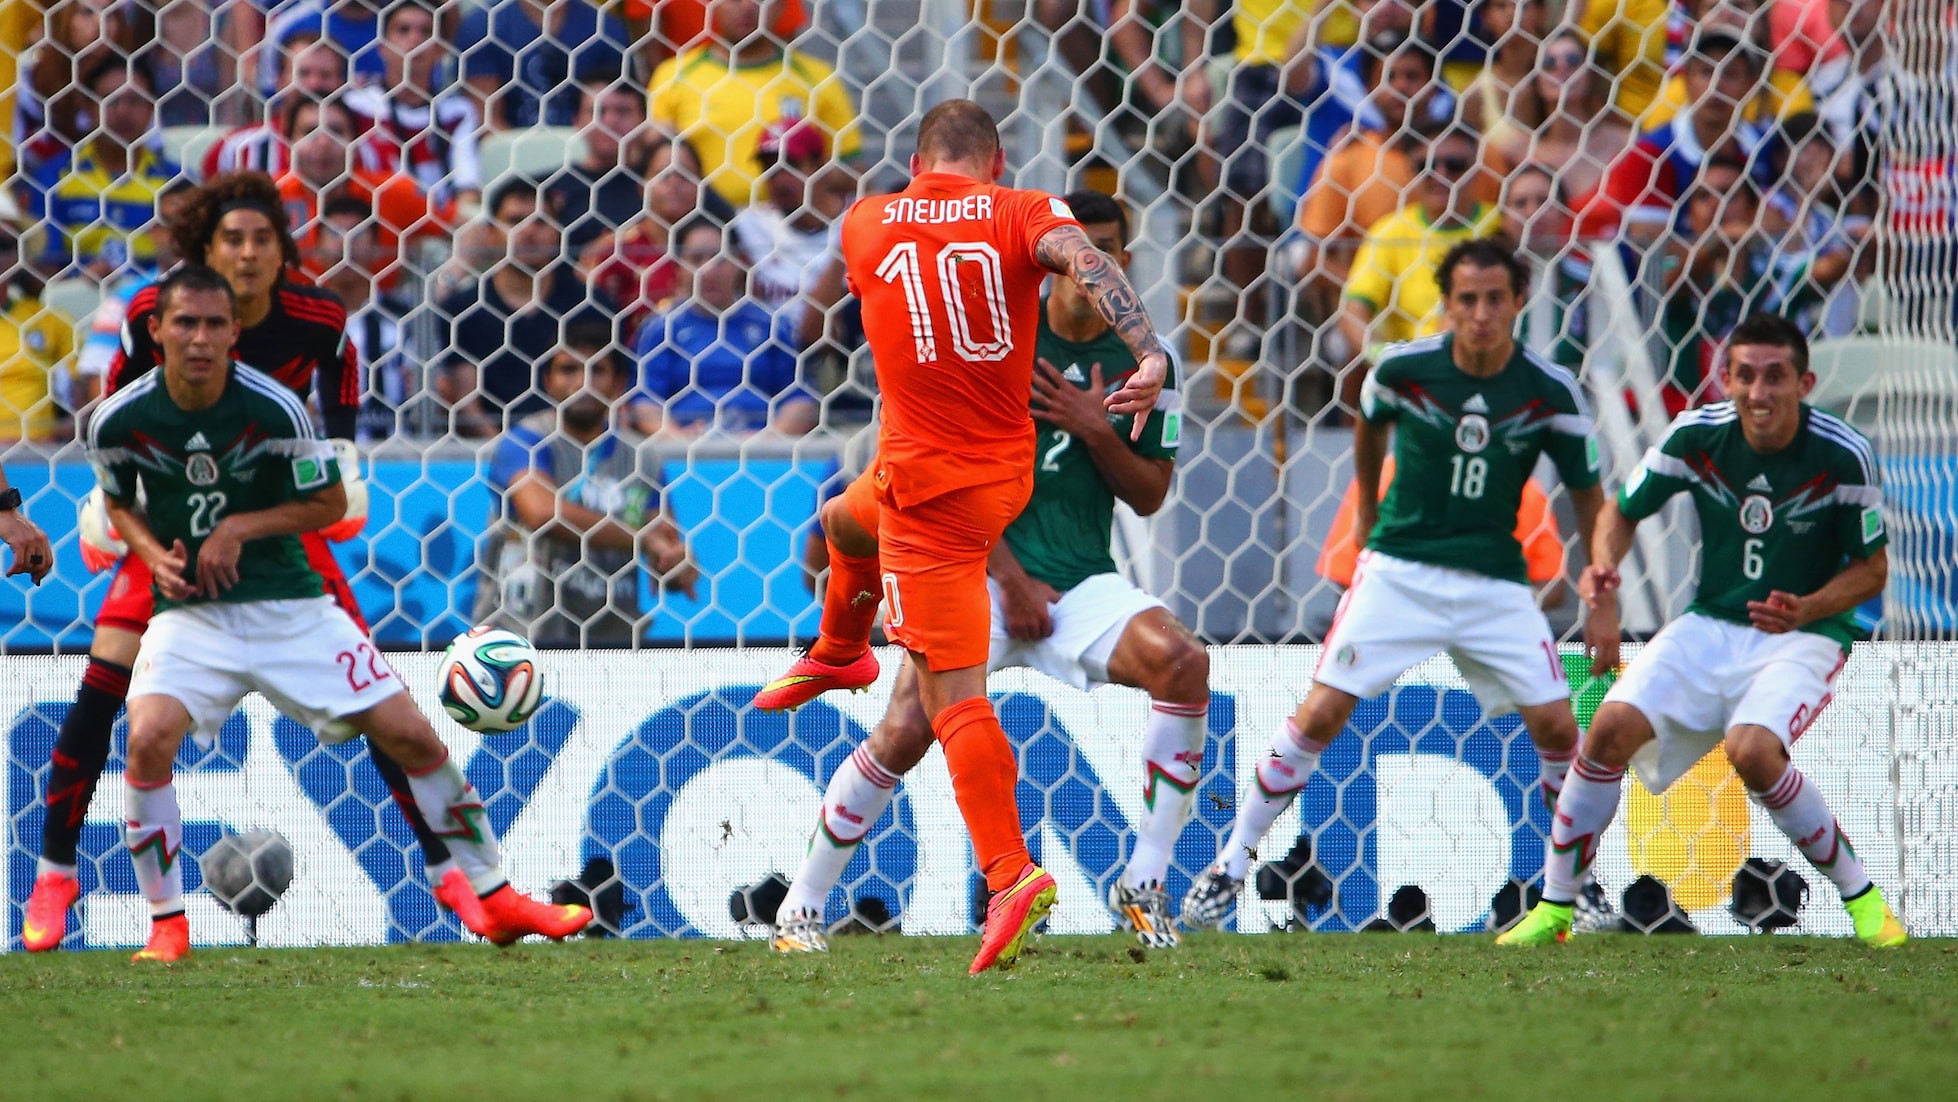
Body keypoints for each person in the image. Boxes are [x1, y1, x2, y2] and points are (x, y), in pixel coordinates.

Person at [749, 100, 1169, 975]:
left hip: (938, 497)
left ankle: (1011, 875)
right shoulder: (1023, 211)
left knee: (949, 699)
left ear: (912, 157)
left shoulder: (868, 220)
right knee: (840, 521)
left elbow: (849, 306)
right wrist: (1150, 351)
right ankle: (839, 651)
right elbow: (1086, 261)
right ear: (999, 161)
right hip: (973, 472)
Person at [19, 174, 481, 953]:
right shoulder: (150, 314)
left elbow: (335, 453)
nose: (247, 252)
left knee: (377, 704)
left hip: (280, 530)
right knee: (104, 694)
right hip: (166, 530)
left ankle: (455, 876)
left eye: (262, 239)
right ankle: (55, 874)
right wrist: (117, 518)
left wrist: (324, 493)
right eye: (232, 239)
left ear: (282, 252)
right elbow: (117, 424)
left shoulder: (322, 323)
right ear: (203, 254)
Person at [86, 265, 592, 962]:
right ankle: (167, 925)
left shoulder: (274, 408)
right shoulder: (120, 418)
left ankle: (498, 897)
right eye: (185, 323)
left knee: (412, 735)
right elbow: (118, 502)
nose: (199, 339)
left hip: (292, 606)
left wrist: (239, 528)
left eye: (213, 325)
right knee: (145, 741)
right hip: (193, 616)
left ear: (235, 332)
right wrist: (151, 552)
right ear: (155, 330)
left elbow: (329, 505)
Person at [1183, 239, 1605, 929]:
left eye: (1495, 299)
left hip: (1494, 581)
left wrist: (1601, 595)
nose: (1480, 314)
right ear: (1446, 304)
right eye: (1466, 299)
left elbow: (1589, 496)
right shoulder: (1403, 370)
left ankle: (1576, 886)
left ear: (1518, 302)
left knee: (1559, 728)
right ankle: (1229, 867)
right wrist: (1373, 519)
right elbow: (1368, 430)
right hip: (1400, 571)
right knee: (1319, 714)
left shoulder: (1549, 390)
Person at [1501, 313, 1907, 948]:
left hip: (1805, 635)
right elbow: (1620, 512)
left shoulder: (1842, 454)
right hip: (1712, 623)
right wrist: (1603, 585)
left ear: (1805, 382)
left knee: (1751, 752)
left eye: (1775, 377)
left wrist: (1808, 606)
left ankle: (1865, 903)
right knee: (1605, 730)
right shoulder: (1696, 435)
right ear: (1726, 379)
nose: (1759, 392)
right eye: (1745, 376)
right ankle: (1556, 910)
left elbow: (1872, 570)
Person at [475, 319, 695, 646]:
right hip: (522, 640)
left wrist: (677, 565)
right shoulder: (524, 443)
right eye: (569, 369)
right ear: (548, 381)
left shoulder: (642, 459)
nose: (582, 382)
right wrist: (643, 541)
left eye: (597, 371)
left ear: (619, 382)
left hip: (610, 645)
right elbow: (541, 512)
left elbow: (667, 546)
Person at [438, 177, 616, 435]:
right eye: (514, 220)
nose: (528, 230)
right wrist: (505, 453)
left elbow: (609, 391)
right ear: (489, 233)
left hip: (577, 446)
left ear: (558, 233)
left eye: (540, 221)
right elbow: (466, 403)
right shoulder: (463, 309)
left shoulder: (591, 305)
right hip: (490, 453)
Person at [1336, 125, 1500, 405]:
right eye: (1426, 166)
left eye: (1455, 165)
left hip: (1488, 364)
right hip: (1413, 378)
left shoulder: (1497, 226)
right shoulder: (1390, 232)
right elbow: (1353, 311)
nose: (1441, 175)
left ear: (1475, 171)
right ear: (1411, 173)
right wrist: (1383, 358)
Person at [646, 0, 863, 208]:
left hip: (791, 228)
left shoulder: (816, 77)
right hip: (704, 229)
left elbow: (853, 168)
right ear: (713, 4)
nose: (748, 7)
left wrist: (803, 176)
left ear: (782, 6)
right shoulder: (673, 76)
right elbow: (651, 163)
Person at [1574, 29, 1772, 244]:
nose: (1716, 85)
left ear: (1751, 85)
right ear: (1686, 80)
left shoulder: (1766, 146)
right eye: (1706, 72)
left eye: (1730, 74)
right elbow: (1652, 258)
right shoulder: (1650, 154)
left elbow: (1782, 230)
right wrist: (1724, 242)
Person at [629, 219, 816, 436]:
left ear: (738, 264)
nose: (708, 270)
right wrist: (678, 439)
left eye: (719, 259)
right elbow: (644, 403)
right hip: (683, 452)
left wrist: (766, 440)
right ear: (679, 267)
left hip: (762, 451)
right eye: (696, 259)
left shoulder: (772, 325)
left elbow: (800, 400)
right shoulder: (660, 328)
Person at [26, 56, 180, 279]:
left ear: (151, 108)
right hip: (73, 309)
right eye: (109, 100)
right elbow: (40, 267)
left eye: (135, 100)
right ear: (88, 106)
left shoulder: (175, 180)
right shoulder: (55, 176)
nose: (122, 111)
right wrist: (80, 279)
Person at [344, 0, 482, 208]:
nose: (415, 39)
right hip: (373, 225)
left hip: (444, 227)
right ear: (382, 46)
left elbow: (467, 186)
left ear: (440, 49)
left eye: (426, 31)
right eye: (403, 30)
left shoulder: (457, 112)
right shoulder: (355, 106)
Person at [458, 0, 630, 130]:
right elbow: (485, 119)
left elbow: (618, 110)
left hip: (586, 156)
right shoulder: (483, 25)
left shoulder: (606, 29)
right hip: (509, 158)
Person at [550, 81, 658, 253]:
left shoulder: (667, 183)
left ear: (643, 120)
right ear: (577, 121)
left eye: (623, 111)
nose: (610, 121)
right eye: (597, 111)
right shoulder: (544, 188)